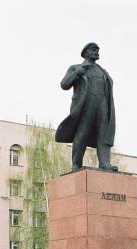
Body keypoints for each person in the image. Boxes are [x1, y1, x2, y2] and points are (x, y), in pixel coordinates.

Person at [55, 42, 117, 172]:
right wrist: (77, 73)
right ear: (86, 52)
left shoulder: (102, 71)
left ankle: (105, 163)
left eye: (97, 50)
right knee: (82, 133)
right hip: (85, 105)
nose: (97, 52)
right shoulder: (76, 67)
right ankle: (76, 164)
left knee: (103, 135)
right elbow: (64, 84)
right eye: (94, 50)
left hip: (102, 106)